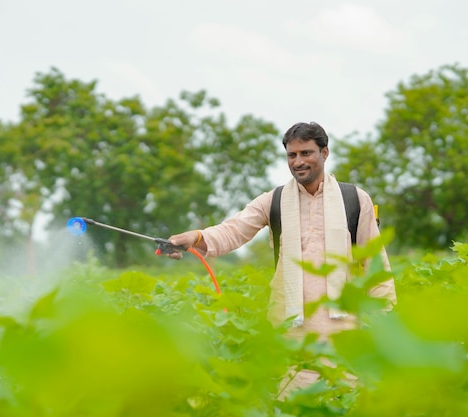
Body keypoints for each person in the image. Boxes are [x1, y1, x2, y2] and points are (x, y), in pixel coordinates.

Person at [166, 121, 397, 392]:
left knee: (344, 404)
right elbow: (233, 230)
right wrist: (194, 238)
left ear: (324, 153)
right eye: (292, 155)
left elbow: (376, 264)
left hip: (345, 335)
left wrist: (385, 325)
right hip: (291, 334)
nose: (298, 161)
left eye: (306, 153)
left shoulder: (355, 199)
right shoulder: (273, 201)